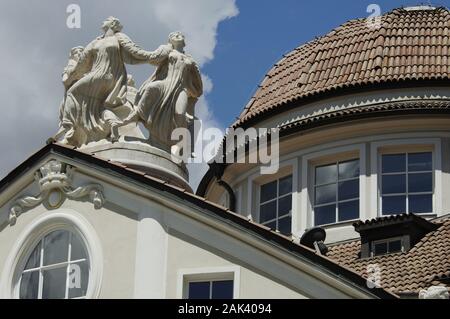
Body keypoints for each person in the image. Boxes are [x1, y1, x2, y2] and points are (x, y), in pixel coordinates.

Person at [54, 17, 157, 146]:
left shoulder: (117, 37)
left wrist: (154, 56)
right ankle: (110, 124)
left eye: (107, 20)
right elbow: (82, 62)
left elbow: (134, 52)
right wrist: (70, 74)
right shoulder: (97, 41)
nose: (103, 21)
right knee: (101, 107)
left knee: (72, 93)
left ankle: (68, 129)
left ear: (113, 24)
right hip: (109, 78)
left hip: (102, 75)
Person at [116, 31, 203, 152]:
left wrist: (192, 91)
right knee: (151, 88)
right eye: (173, 35)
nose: (178, 36)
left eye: (180, 35)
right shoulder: (167, 50)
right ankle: (137, 114)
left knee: (180, 113)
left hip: (180, 89)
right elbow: (152, 59)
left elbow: (198, 85)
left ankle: (181, 142)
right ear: (170, 40)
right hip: (166, 84)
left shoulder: (190, 60)